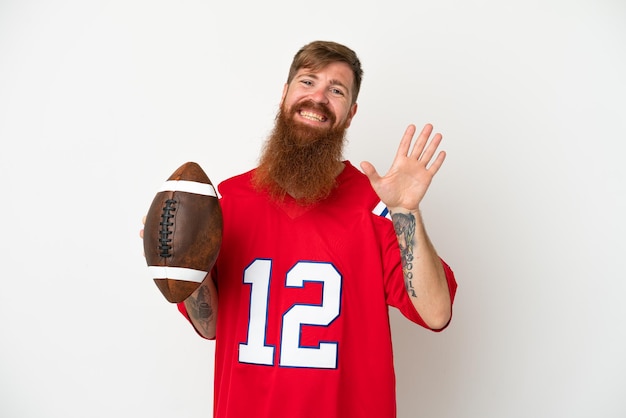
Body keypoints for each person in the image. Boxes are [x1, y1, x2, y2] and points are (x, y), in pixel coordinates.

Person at [144, 40, 457, 418]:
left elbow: (436, 313)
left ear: (351, 112)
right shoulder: (229, 200)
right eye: (308, 81)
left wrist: (407, 212)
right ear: (285, 94)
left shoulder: (373, 204)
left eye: (336, 90)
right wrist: (180, 264)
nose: (319, 97)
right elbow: (210, 326)